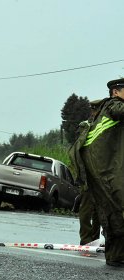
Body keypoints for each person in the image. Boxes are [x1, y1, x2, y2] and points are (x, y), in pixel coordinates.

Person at [71, 77, 124, 267]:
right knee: (115, 210)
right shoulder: (113, 105)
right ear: (115, 92)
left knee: (114, 211)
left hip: (104, 170)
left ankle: (116, 256)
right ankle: (108, 252)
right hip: (103, 171)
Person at [69, 100, 101, 246]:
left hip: (101, 174)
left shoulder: (103, 125)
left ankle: (95, 238)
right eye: (94, 110)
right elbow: (80, 150)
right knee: (87, 209)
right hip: (88, 175)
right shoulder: (86, 126)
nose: (95, 113)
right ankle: (86, 240)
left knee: (100, 210)